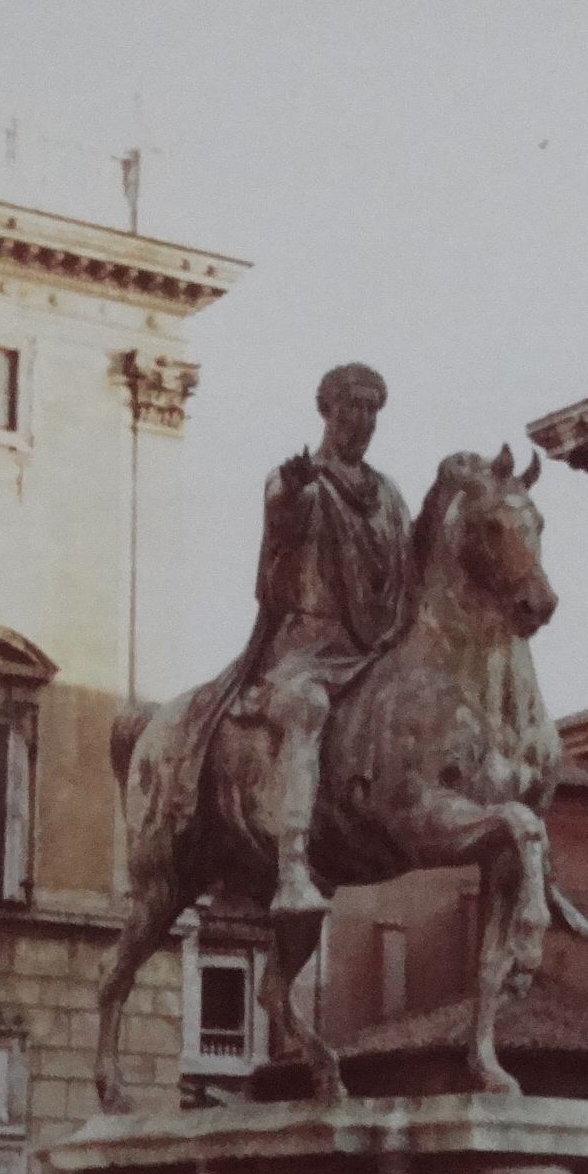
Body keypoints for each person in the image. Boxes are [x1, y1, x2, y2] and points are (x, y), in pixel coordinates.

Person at [215, 362, 414, 919]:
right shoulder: (297, 480)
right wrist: (291, 492)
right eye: (352, 405)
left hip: (373, 648)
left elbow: (411, 570)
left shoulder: (389, 495)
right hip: (306, 649)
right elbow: (281, 522)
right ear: (326, 410)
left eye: (373, 408)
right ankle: (292, 866)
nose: (364, 418)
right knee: (306, 706)